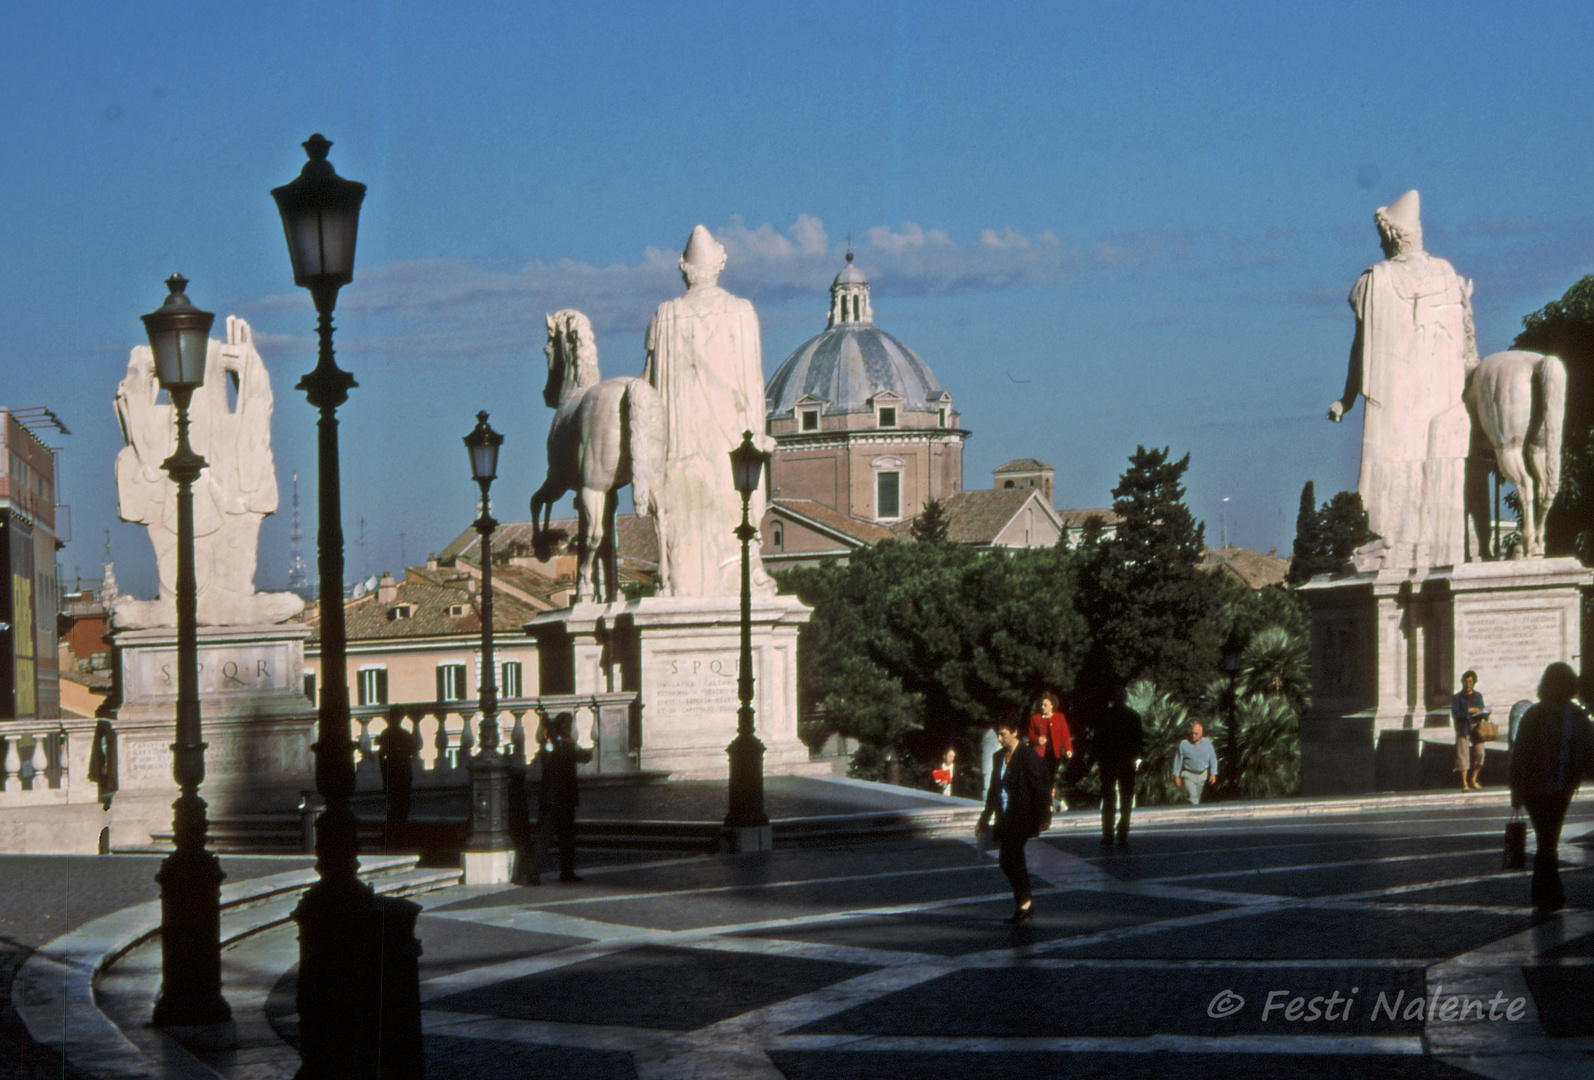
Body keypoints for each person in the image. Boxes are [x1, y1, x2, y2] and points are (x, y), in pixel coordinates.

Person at [1327, 190, 1477, 570]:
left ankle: (1406, 543)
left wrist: (1347, 398)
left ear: (1392, 235)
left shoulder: (1374, 281)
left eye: (1381, 234)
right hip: (1431, 393)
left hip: (1406, 395)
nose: (1379, 241)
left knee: (1403, 461)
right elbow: (1467, 346)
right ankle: (1410, 543)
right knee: (1415, 462)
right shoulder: (1445, 274)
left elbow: (1359, 350)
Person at [642, 225, 775, 597]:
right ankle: (747, 565)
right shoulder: (741, 312)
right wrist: (757, 432)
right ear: (721, 263)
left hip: (683, 439)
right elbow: (752, 381)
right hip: (733, 434)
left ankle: (683, 576)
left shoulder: (667, 315)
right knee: (738, 499)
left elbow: (650, 384)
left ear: (683, 267)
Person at [1508, 663, 1594, 913]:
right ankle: (1549, 893)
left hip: (1563, 786)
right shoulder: (1535, 714)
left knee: (1549, 839)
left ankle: (1545, 892)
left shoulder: (1578, 716)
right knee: (1548, 839)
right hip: (1537, 787)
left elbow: (1589, 749)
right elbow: (1520, 753)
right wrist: (1516, 788)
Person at [976, 717, 1051, 924]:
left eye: (1003, 733)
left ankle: (1024, 904)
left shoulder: (1027, 755)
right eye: (998, 734)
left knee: (1009, 858)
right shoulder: (999, 756)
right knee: (1011, 861)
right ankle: (1024, 904)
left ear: (1015, 731)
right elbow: (993, 789)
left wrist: (1045, 816)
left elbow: (1039, 787)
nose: (1000, 738)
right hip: (1005, 816)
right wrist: (984, 818)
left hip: (1023, 816)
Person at [525, 711, 593, 885]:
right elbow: (551, 757)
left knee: (567, 837)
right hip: (553, 798)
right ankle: (533, 873)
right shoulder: (552, 744)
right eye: (566, 725)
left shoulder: (567, 744)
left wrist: (572, 744)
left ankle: (567, 872)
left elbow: (585, 757)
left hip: (564, 797)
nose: (568, 728)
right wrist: (557, 740)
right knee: (544, 836)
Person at [1094, 686, 1145, 848]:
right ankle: (1122, 833)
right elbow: (1139, 741)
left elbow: (1097, 740)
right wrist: (1136, 758)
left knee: (1110, 798)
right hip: (1125, 761)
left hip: (1110, 761)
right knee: (1125, 798)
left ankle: (1108, 834)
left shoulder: (1104, 715)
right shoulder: (1133, 716)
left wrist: (1098, 759)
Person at [374, 708, 419, 850]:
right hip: (400, 774)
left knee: (395, 807)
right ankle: (396, 835)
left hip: (394, 774)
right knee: (400, 807)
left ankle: (391, 835)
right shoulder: (401, 734)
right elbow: (413, 750)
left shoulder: (387, 734)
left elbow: (381, 757)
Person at [1028, 692, 1073, 809]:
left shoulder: (1059, 717)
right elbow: (1031, 734)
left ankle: (1048, 803)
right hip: (1040, 754)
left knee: (1051, 778)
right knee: (1042, 778)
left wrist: (1068, 748)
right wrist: (1037, 740)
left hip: (1054, 753)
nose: (1043, 707)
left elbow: (1065, 735)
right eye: (1042, 705)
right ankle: (1045, 803)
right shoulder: (1035, 718)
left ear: (1052, 706)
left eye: (1045, 705)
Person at [1452, 669, 1490, 790]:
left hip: (1476, 727)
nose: (1468, 684)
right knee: (1463, 755)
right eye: (1466, 681)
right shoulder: (1457, 697)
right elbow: (1456, 714)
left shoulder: (1478, 696)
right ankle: (1464, 783)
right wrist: (1468, 711)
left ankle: (1473, 779)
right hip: (1464, 727)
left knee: (1480, 753)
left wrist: (1485, 713)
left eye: (1471, 682)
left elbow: (1481, 710)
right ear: (1463, 682)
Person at [1171, 722, 1218, 805]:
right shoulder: (1184, 744)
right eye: (1192, 733)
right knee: (1193, 798)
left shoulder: (1207, 743)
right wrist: (1176, 776)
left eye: (1196, 733)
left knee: (1198, 798)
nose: (1193, 735)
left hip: (1203, 775)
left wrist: (1213, 773)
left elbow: (1213, 758)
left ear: (1201, 733)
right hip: (1189, 775)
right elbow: (1178, 760)